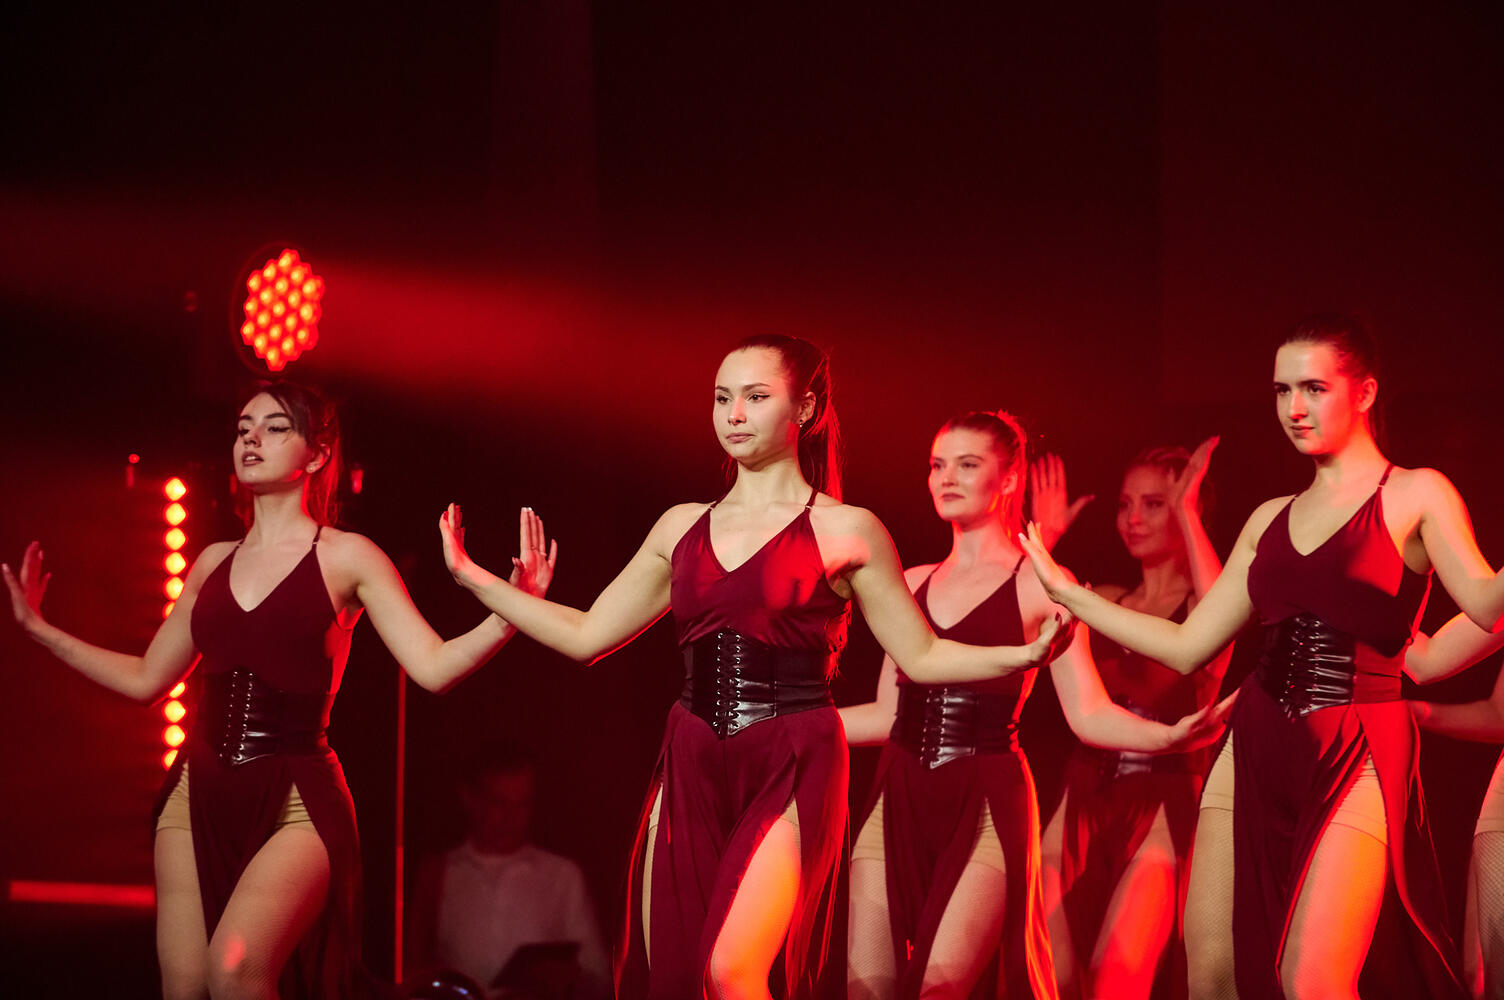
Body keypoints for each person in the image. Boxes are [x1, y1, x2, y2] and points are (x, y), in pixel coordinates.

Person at [434, 335, 1121, 1000]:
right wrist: (475, 578)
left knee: (731, 972)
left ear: (806, 409)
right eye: (721, 398)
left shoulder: (849, 528)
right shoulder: (680, 525)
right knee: (674, 976)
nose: (733, 414)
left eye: (755, 397)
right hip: (690, 755)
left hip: (793, 760)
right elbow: (588, 636)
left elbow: (921, 655)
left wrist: (1020, 655)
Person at [2, 381, 555, 1000]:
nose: (251, 439)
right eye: (243, 428)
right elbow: (145, 680)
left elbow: (434, 667)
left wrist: (513, 613)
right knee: (185, 987)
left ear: (317, 455)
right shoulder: (210, 561)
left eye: (274, 428)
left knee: (236, 970)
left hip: (299, 796)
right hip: (195, 792)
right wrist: (40, 631)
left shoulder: (349, 557)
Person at [1018, 315, 1493, 999]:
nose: (1294, 408)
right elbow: (1188, 645)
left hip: (1357, 745)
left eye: (1314, 388)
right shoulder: (1269, 517)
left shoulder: (1417, 492)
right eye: (1282, 390)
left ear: (1364, 393)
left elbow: (1485, 604)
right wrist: (1069, 593)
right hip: (1254, 744)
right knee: (1213, 975)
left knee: (1311, 980)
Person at [837, 414, 1228, 1000]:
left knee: (939, 989)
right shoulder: (909, 580)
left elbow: (1087, 712)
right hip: (896, 794)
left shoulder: (1044, 584)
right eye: (937, 465)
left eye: (968, 464)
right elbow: (883, 714)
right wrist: (785, 722)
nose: (946, 477)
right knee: (867, 989)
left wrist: (1169, 737)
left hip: (987, 800)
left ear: (1009, 478)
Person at [1036, 442, 1232, 1000]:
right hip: (1081, 794)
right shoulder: (1103, 597)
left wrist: (1187, 509)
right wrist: (1043, 542)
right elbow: (1022, 614)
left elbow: (1219, 622)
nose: (1133, 518)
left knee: (1114, 981)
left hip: (1163, 801)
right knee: (1049, 976)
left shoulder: (1201, 609)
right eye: (1125, 504)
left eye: (1154, 503)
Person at [407, 741, 610, 1000]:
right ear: (469, 799)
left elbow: (599, 980)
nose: (511, 818)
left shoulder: (562, 876)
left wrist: (569, 979)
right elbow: (411, 973)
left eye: (521, 804)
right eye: (498, 803)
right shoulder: (438, 874)